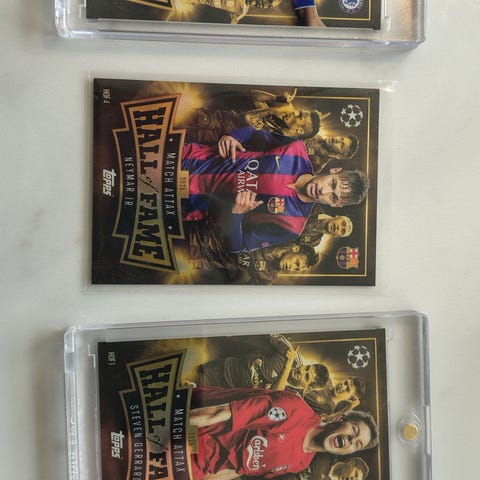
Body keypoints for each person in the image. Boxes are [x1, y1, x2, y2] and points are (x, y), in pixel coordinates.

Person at [181, 128, 369, 253]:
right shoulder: (296, 149)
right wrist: (233, 137)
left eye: (333, 197)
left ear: (335, 205)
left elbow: (236, 247)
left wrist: (236, 214)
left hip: (183, 201)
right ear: (335, 170)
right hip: (188, 157)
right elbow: (252, 134)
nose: (324, 191)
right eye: (332, 184)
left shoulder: (292, 226)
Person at [189, 388, 378, 480]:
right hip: (189, 440)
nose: (352, 440)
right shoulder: (294, 410)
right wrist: (173, 432)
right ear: (340, 419)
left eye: (357, 444)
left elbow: (235, 470)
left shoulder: (301, 464)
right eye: (354, 430)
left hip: (192, 472)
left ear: (349, 453)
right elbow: (217, 413)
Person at [192, 337, 330, 394]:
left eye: (306, 377)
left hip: (223, 392)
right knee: (187, 378)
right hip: (219, 369)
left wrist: (287, 368)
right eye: (307, 368)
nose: (301, 371)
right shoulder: (289, 353)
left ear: (307, 388)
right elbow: (264, 333)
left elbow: (274, 395)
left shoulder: (291, 395)